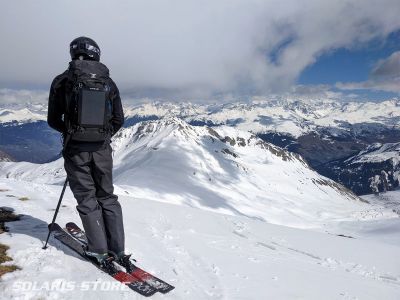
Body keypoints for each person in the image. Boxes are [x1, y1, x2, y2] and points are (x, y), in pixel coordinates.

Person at [47, 36, 134, 273]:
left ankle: (98, 250)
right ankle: (118, 250)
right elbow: (119, 119)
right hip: (102, 150)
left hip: (76, 150)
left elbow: (53, 120)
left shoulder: (62, 81)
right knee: (107, 196)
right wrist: (102, 136)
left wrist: (72, 133)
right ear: (97, 54)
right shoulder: (108, 82)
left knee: (87, 198)